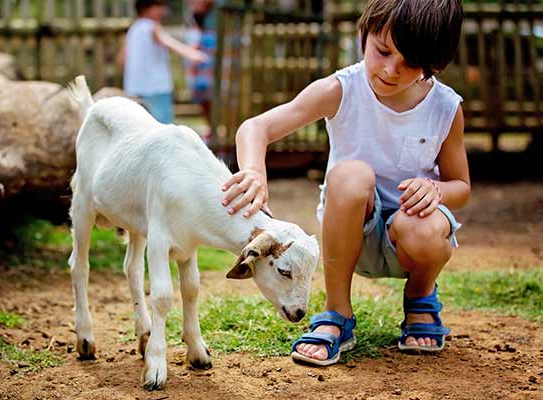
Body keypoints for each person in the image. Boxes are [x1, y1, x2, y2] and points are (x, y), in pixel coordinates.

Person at [221, 0, 470, 365]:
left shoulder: (445, 107)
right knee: (351, 175)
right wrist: (255, 172)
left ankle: (420, 297)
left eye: (411, 63)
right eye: (382, 51)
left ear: (433, 64)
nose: (390, 70)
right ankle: (337, 312)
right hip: (349, 234)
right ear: (363, 34)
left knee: (427, 224)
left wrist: (435, 190)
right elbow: (256, 127)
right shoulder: (342, 89)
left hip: (413, 239)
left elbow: (461, 187)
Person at [116, 0, 209, 124]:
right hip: (156, 87)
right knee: (163, 125)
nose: (164, 11)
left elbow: (121, 60)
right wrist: (192, 54)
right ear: (147, 8)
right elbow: (169, 42)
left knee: (140, 124)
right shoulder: (152, 26)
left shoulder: (133, 29)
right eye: (160, 7)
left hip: (135, 88)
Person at [184, 0, 217, 140]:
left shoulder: (216, 12)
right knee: (203, 96)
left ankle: (215, 130)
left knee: (214, 96)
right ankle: (211, 129)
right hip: (201, 57)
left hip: (213, 46)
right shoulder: (195, 17)